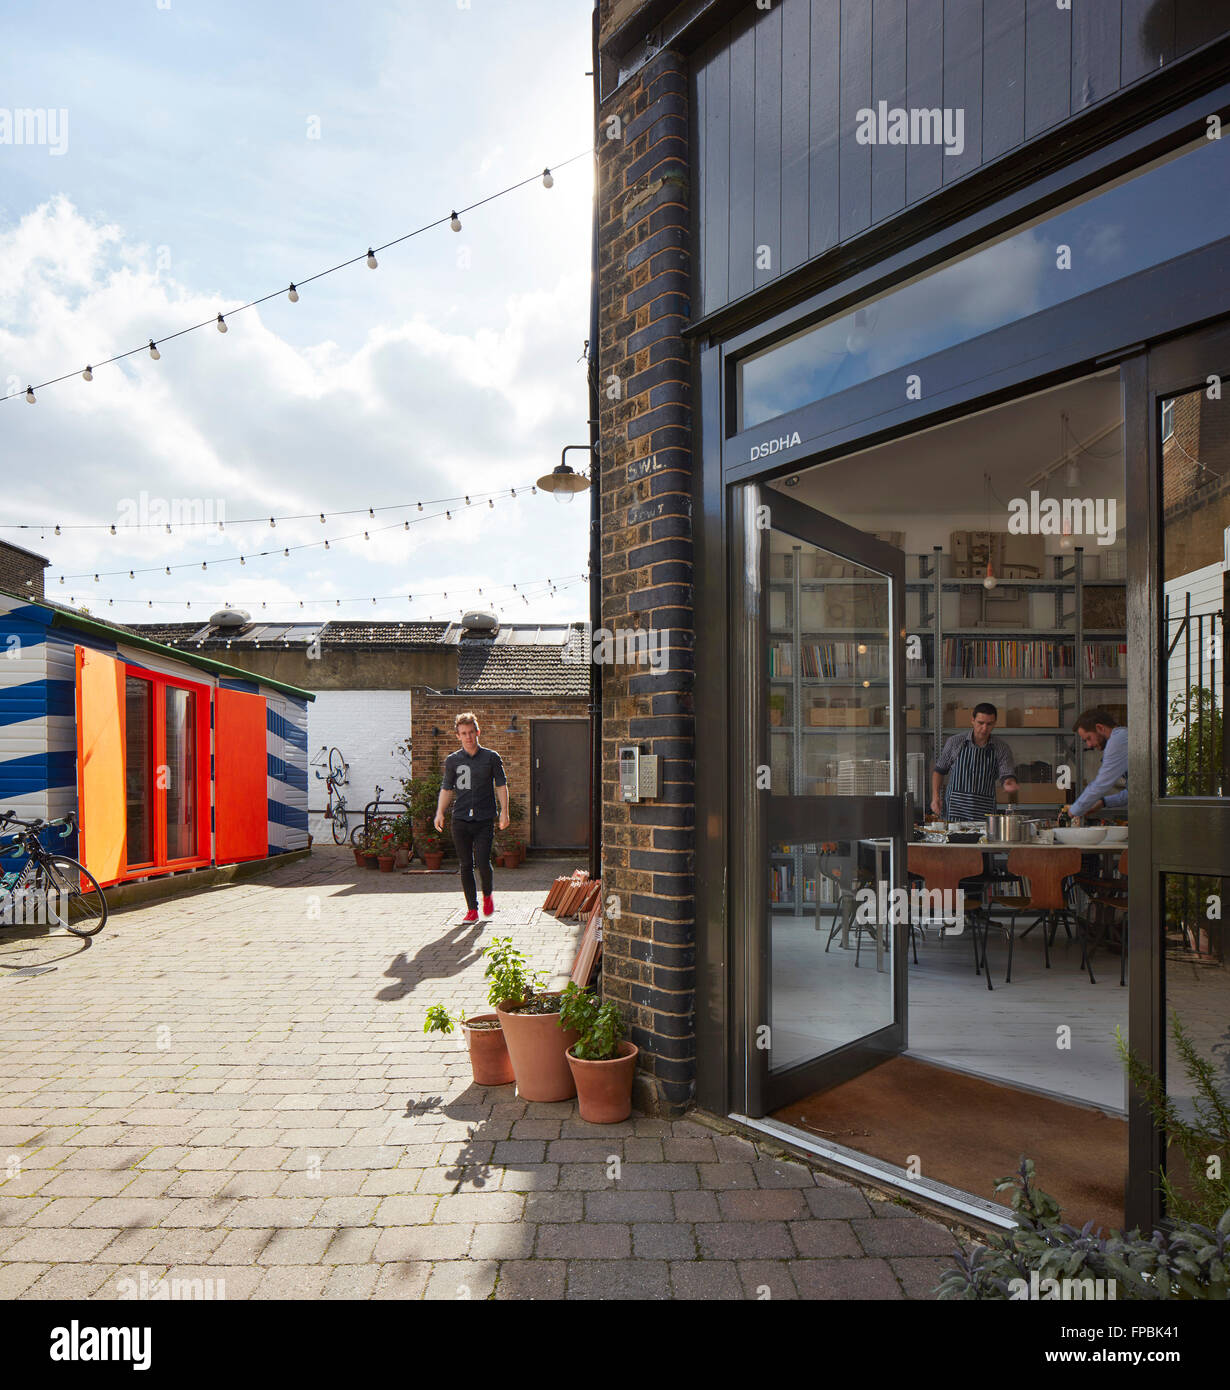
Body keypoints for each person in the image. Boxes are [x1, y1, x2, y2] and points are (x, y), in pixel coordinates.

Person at [434, 712, 510, 924]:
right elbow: (447, 789)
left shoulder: (491, 757)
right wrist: (440, 812)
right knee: (465, 864)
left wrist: (505, 811)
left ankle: (487, 895)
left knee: (483, 863)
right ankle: (472, 909)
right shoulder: (453, 760)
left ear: (478, 732)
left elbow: (501, 785)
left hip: (484, 819)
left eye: (471, 732)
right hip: (460, 820)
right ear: (458, 735)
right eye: (463, 733)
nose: (468, 737)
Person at [931, 702, 1020, 820]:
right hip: (955, 810)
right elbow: (939, 771)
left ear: (995, 723)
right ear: (972, 720)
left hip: (984, 811)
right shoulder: (955, 742)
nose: (984, 728)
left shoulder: (1001, 748)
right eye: (980, 723)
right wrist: (936, 797)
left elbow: (1006, 773)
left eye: (989, 724)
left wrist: (1009, 782)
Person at [1067, 709, 1128, 824]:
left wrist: (1074, 810)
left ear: (1100, 728)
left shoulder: (1117, 741)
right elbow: (1136, 792)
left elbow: (1101, 783)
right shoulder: (1122, 737)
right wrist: (1103, 802)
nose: (1089, 745)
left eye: (1088, 738)